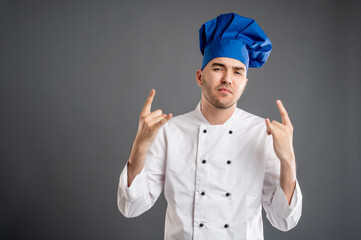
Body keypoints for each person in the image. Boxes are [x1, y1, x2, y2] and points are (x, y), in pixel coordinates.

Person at [117, 13, 302, 239]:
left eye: (237, 71)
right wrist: (140, 146)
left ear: (244, 84)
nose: (227, 78)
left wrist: (288, 161)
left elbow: (284, 219)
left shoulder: (264, 134)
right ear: (199, 76)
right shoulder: (170, 131)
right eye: (218, 68)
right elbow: (131, 207)